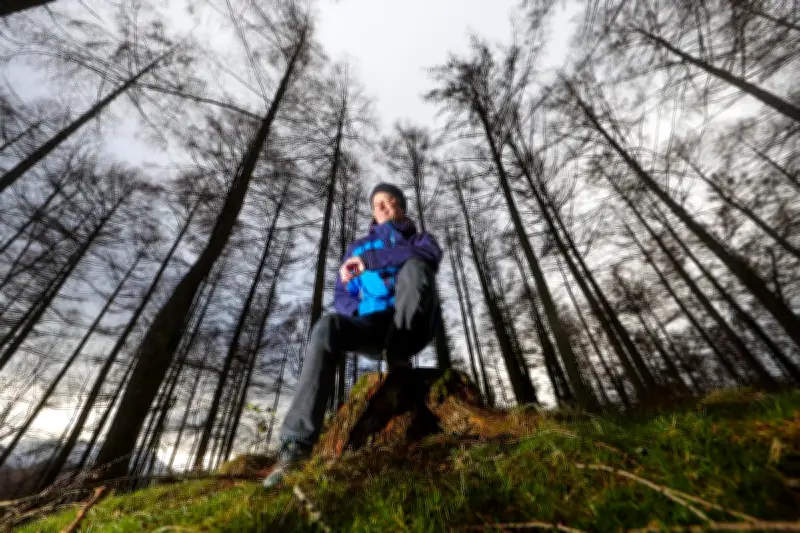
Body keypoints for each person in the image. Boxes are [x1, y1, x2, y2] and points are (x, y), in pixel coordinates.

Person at [262, 182, 443, 489]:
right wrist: (358, 315)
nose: (382, 207)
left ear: (401, 206)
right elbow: (343, 292)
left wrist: (372, 262)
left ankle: (399, 356)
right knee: (327, 326)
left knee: (414, 269)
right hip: (372, 325)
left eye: (389, 201)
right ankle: (296, 446)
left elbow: (427, 259)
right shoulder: (358, 247)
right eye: (376, 204)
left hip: (412, 323)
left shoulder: (420, 238)